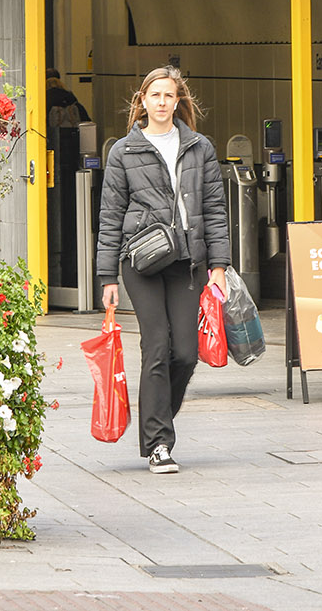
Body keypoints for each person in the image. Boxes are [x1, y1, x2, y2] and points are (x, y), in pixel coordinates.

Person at [97, 66, 230, 475]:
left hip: (187, 262)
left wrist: (219, 266)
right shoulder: (124, 151)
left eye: (168, 96)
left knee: (186, 355)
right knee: (156, 347)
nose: (160, 102)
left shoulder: (199, 147)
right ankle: (158, 443)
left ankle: (158, 419)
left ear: (178, 101)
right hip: (141, 262)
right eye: (153, 95)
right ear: (142, 100)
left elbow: (214, 209)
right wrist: (107, 278)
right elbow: (110, 215)